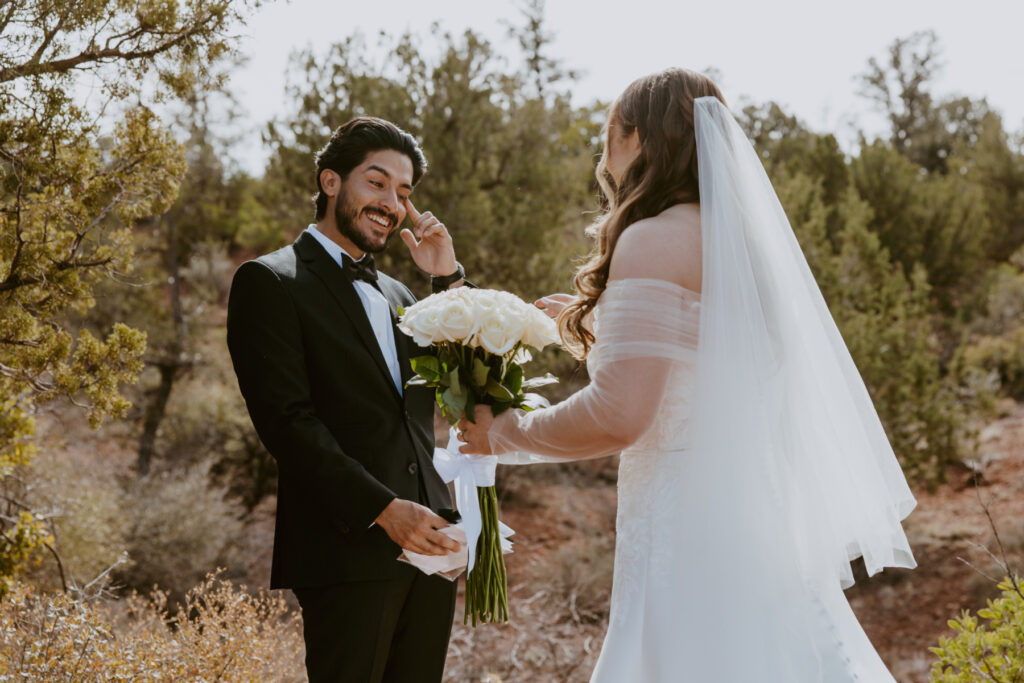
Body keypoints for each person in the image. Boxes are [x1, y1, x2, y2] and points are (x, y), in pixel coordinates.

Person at [459, 69, 918, 681]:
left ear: (640, 140)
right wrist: (590, 328)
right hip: (755, 524)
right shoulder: (743, 248)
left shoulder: (649, 240)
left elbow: (620, 415)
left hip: (685, 534)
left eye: (609, 135)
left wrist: (507, 433)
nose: (604, 155)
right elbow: (701, 366)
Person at [227, 117, 469, 683]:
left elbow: (468, 387)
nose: (391, 203)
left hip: (432, 548)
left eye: (403, 193)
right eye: (376, 183)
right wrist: (384, 512)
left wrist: (449, 277)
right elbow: (288, 425)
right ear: (331, 182)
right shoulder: (268, 281)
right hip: (348, 550)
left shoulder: (401, 294)